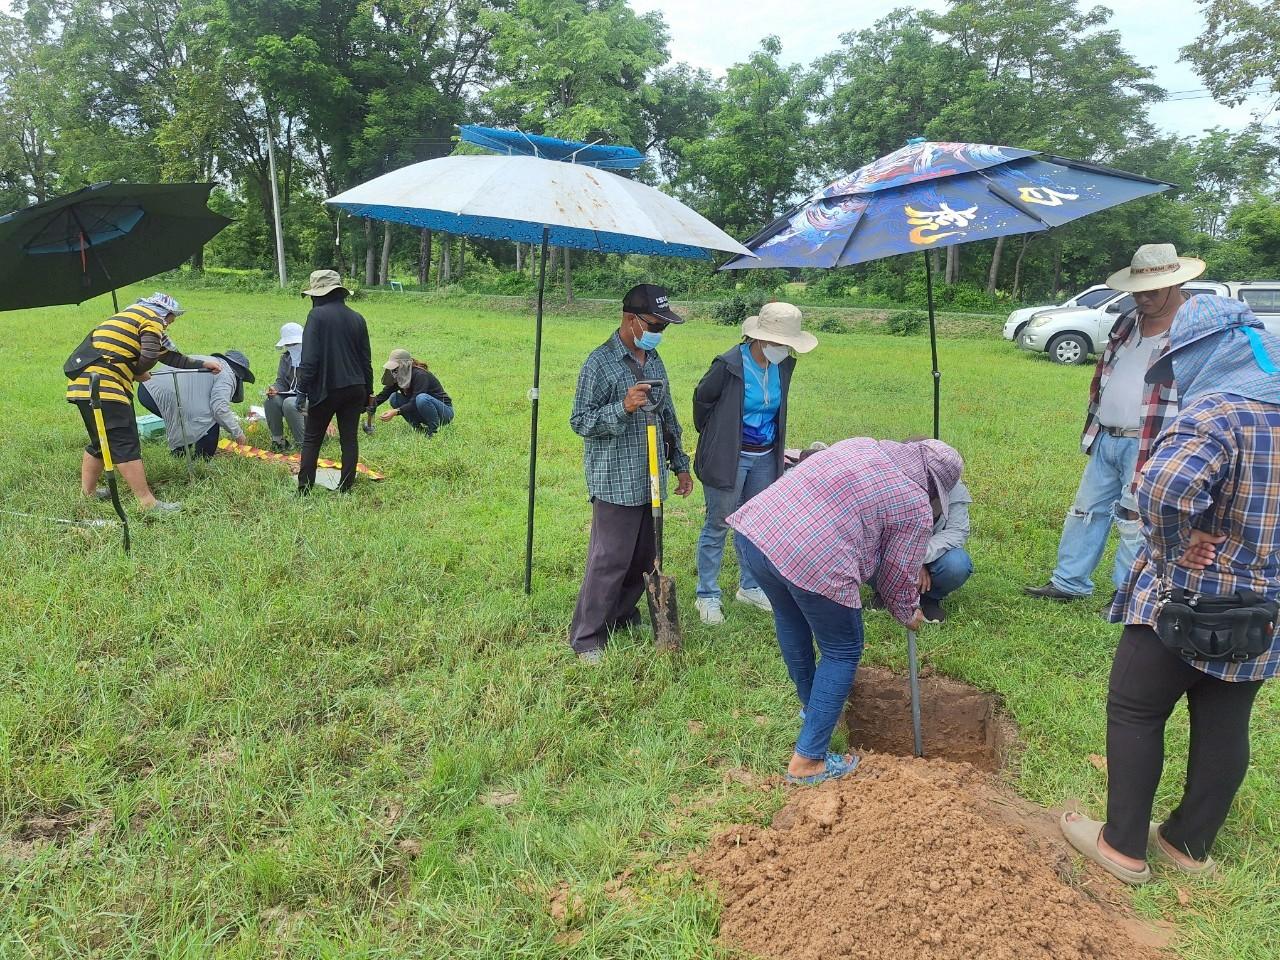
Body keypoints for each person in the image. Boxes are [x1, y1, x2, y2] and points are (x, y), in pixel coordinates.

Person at [1061, 296, 1280, 884]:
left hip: (1187, 598)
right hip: (1263, 608)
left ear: (1211, 352)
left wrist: (1173, 548)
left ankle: (1123, 847)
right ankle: (1188, 844)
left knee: (1135, 710)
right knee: (1227, 719)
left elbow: (1163, 486)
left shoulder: (1219, 413)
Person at [729, 438, 963, 784]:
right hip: (813, 556)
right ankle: (808, 762)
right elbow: (898, 576)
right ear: (935, 486)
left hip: (759, 532)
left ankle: (815, 710)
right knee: (843, 650)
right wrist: (908, 611)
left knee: (790, 616)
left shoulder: (862, 445)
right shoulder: (915, 502)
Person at [1026, 244, 1201, 604]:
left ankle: (1130, 592)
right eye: (1138, 289)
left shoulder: (1193, 327)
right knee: (1084, 510)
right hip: (1107, 434)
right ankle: (1068, 582)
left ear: (1174, 284)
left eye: (1152, 289)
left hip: (1155, 441)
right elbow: (1105, 372)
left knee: (1136, 519)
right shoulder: (1128, 321)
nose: (1143, 297)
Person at [568, 284, 693, 663]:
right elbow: (579, 421)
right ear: (630, 319)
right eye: (655, 324)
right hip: (615, 478)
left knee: (644, 557)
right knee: (609, 560)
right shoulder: (600, 362)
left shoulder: (654, 361)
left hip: (650, 475)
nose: (659, 333)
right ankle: (586, 637)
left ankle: (621, 615)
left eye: (665, 326)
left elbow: (668, 414)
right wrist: (622, 407)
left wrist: (681, 465)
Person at [691, 302, 817, 625]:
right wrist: (720, 439)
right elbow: (702, 401)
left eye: (789, 344)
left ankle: (750, 586)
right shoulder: (729, 364)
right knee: (718, 523)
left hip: (765, 456)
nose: (784, 349)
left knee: (755, 526)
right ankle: (707, 594)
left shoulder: (784, 365)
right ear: (761, 338)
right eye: (780, 343)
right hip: (729, 456)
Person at [64, 292, 221, 513]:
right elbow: (148, 356)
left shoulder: (131, 316)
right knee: (125, 442)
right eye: (170, 320)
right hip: (107, 387)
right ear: (165, 313)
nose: (168, 325)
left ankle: (88, 494)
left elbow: (169, 356)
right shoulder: (151, 318)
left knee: (101, 442)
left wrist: (203, 364)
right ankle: (148, 503)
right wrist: (139, 372)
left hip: (84, 385)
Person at [295, 270, 372, 493]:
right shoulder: (358, 318)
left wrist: (302, 390)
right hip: (356, 387)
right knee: (349, 440)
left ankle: (304, 489)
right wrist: (369, 393)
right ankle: (346, 488)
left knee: (312, 440)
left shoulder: (316, 316)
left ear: (318, 295)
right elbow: (365, 360)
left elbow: (309, 359)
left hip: (326, 388)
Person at [137, 350, 253, 458]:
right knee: (209, 422)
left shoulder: (212, 362)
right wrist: (238, 434)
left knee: (189, 418)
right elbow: (219, 409)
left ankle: (179, 456)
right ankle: (202, 460)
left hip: (145, 388)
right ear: (240, 375)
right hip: (163, 394)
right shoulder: (227, 374)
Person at [370, 349, 455, 435]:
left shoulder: (420, 375)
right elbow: (383, 396)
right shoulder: (397, 375)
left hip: (444, 412)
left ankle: (433, 431)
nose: (394, 371)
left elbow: (415, 401)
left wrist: (396, 411)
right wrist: (363, 407)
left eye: (396, 367)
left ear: (405, 365)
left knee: (422, 398)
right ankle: (418, 429)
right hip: (422, 410)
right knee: (394, 397)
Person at [265, 322, 306, 451]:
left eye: (294, 344)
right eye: (288, 344)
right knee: (271, 400)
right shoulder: (286, 358)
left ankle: (303, 444)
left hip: (312, 399)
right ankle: (278, 440)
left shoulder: (315, 358)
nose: (291, 347)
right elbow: (281, 382)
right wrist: (275, 389)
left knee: (289, 403)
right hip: (292, 396)